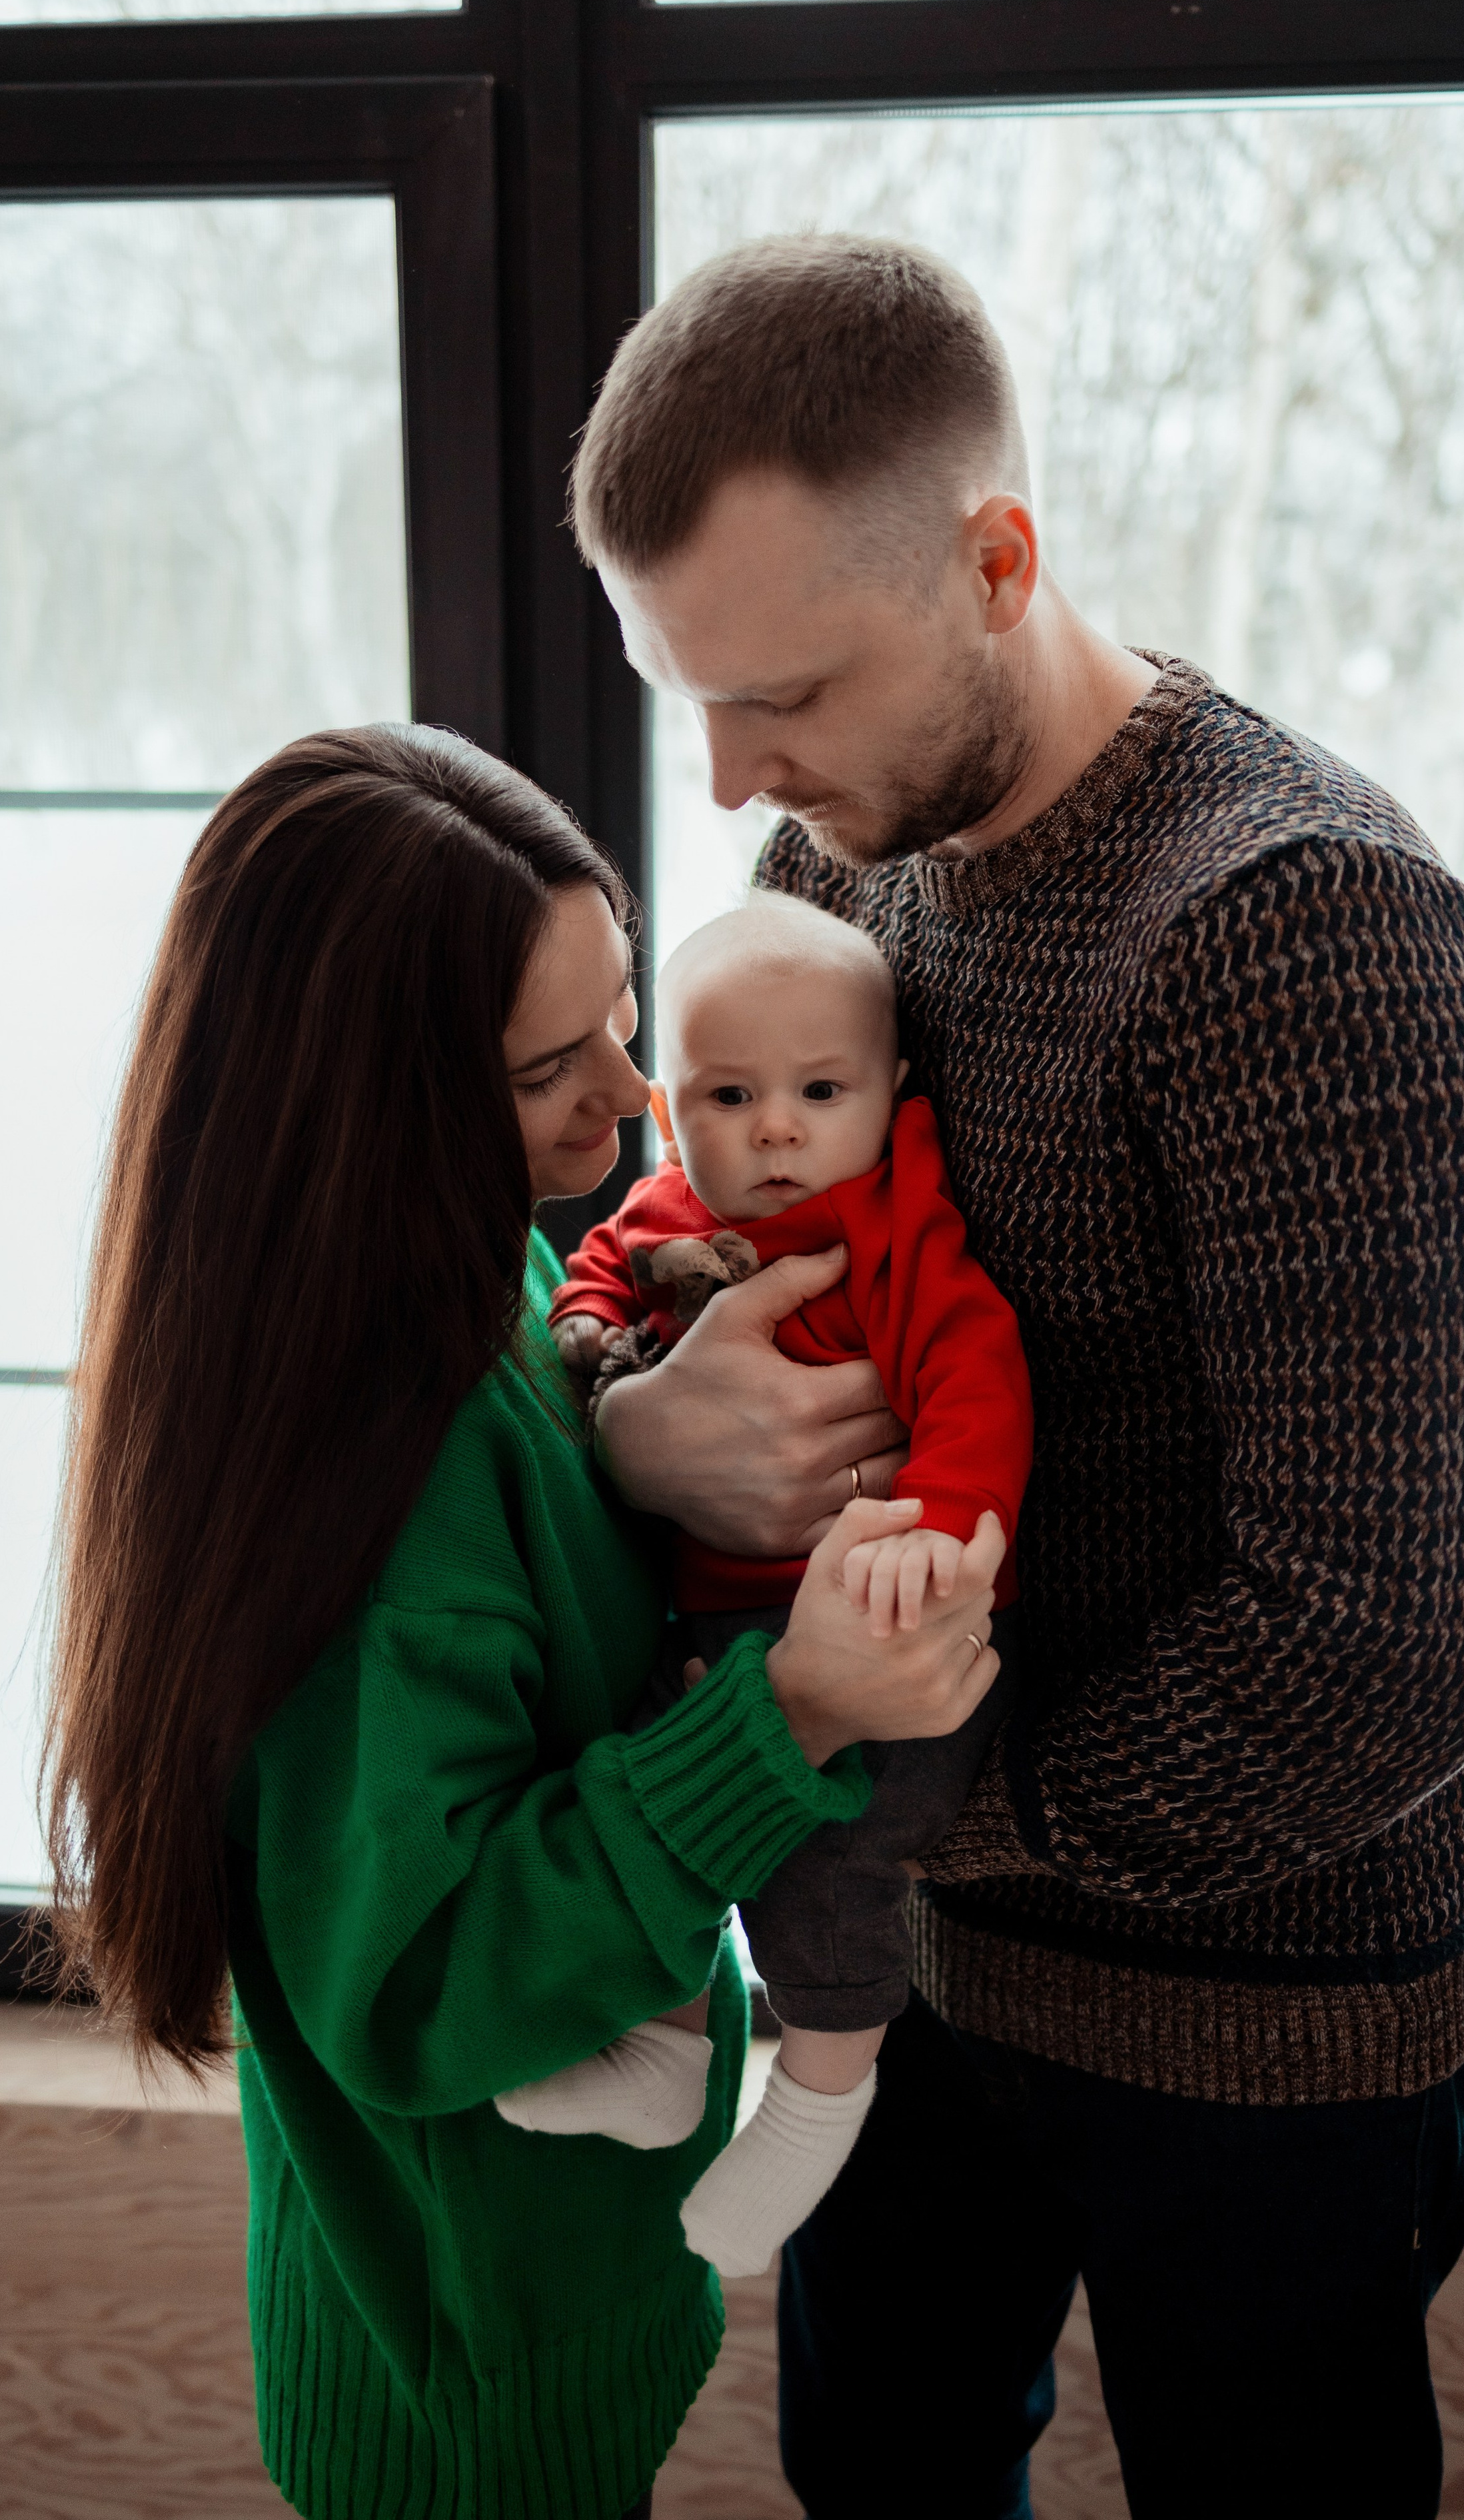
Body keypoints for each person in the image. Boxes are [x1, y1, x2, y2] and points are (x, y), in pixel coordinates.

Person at [566, 234, 1464, 2519]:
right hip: (904, 1972)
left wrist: (863, 1778)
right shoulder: (847, 856)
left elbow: (1402, 1642)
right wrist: (638, 1425)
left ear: (1001, 561)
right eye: (691, 697)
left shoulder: (1304, 931)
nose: (728, 786)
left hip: (1268, 2022)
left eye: (785, 694)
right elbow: (691, 1261)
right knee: (880, 2475)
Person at [37, 722, 1004, 2520]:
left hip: (530, 2316)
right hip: (466, 2385)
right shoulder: (367, 1477)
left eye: (627, 1012)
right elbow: (420, 1980)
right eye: (552, 1062)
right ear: (369, 1102)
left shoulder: (481, 1258)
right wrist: (786, 1715)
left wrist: (634, 1437)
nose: (638, 1096)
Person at [493, 890, 1033, 2279]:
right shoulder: (676, 1210)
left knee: (828, 1865)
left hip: (881, 1629)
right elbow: (598, 1270)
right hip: (711, 1620)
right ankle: (667, 2047)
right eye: (730, 1095)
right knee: (660, 1800)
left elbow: (975, 1379)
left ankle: (819, 2097)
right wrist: (594, 1338)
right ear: (673, 1106)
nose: (777, 1129)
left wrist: (948, 1528)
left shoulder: (894, 1229)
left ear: (888, 1092)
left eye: (817, 1091)